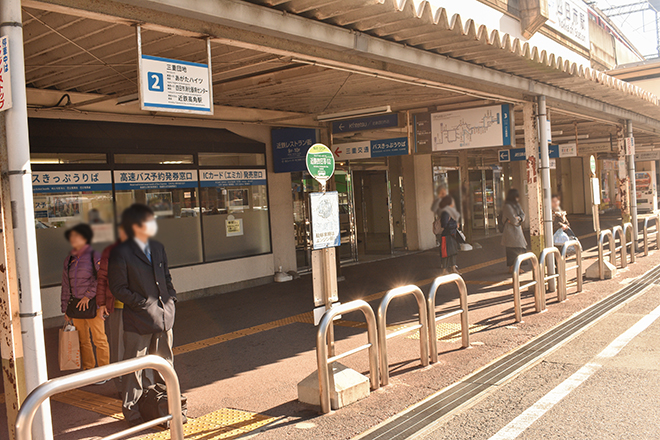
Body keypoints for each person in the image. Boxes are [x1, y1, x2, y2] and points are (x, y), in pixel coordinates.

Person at [109, 204, 177, 426]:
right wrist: (141, 304)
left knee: (165, 364)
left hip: (164, 317)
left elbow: (166, 276)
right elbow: (117, 287)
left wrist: (171, 299)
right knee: (134, 368)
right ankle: (132, 412)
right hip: (138, 319)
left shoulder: (157, 247)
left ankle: (168, 407)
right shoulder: (121, 252)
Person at [61, 223, 110, 373]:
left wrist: (88, 296)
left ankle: (104, 371)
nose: (73, 239)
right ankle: (89, 369)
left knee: (99, 339)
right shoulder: (69, 260)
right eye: (72, 236)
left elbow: (103, 277)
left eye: (77, 236)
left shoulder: (94, 256)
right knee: (83, 340)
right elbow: (65, 285)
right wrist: (65, 309)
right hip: (76, 306)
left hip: (93, 305)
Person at [97, 225, 129, 395]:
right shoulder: (110, 251)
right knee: (118, 347)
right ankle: (121, 387)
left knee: (138, 347)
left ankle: (138, 385)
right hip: (116, 306)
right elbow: (101, 279)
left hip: (138, 307)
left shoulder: (140, 250)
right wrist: (102, 303)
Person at [501, 189, 527, 273]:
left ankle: (516, 267)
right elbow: (513, 220)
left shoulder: (517, 205)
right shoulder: (507, 206)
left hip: (517, 230)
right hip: (510, 231)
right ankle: (513, 267)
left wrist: (518, 218)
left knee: (518, 248)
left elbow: (523, 216)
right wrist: (517, 219)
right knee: (512, 249)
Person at [438, 195, 461, 274]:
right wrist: (454, 225)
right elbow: (444, 224)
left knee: (453, 252)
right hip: (447, 235)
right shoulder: (446, 212)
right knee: (446, 252)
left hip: (452, 235)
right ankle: (445, 270)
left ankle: (453, 268)